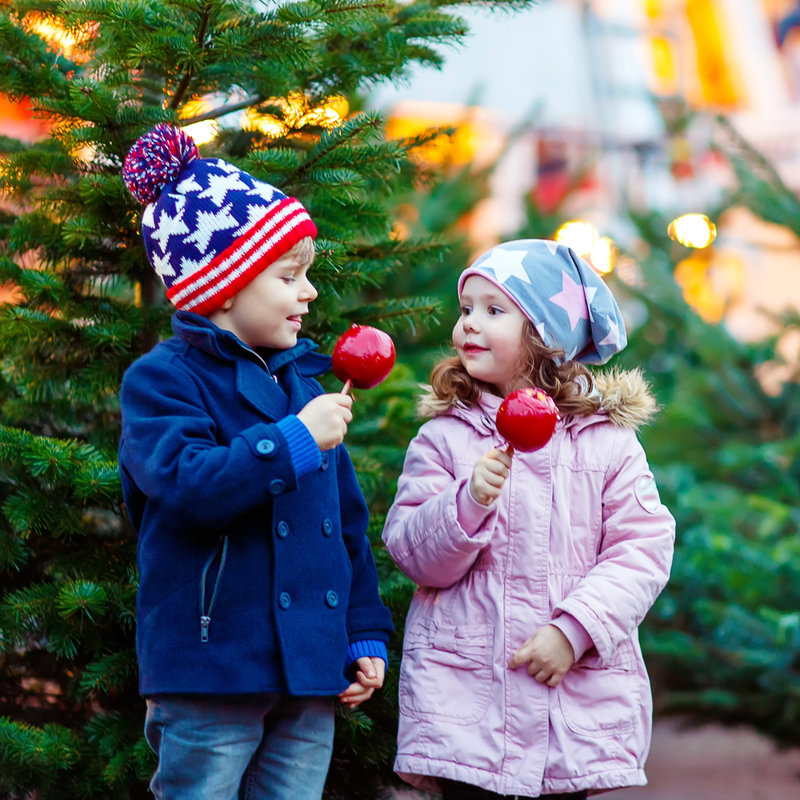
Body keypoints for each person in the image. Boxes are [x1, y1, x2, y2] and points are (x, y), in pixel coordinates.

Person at [118, 124, 393, 800]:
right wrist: (295, 440)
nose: (311, 294)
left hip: (308, 665)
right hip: (211, 665)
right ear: (223, 286)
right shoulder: (163, 380)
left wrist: (362, 630)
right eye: (289, 275)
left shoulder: (303, 386)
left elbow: (344, 527)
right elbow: (188, 487)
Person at [382, 239, 675, 799]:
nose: (469, 323)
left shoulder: (606, 445)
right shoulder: (446, 437)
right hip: (468, 708)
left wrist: (575, 631)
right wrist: (465, 504)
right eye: (466, 308)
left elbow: (643, 548)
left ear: (545, 338)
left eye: (494, 310)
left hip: (567, 710)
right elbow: (412, 552)